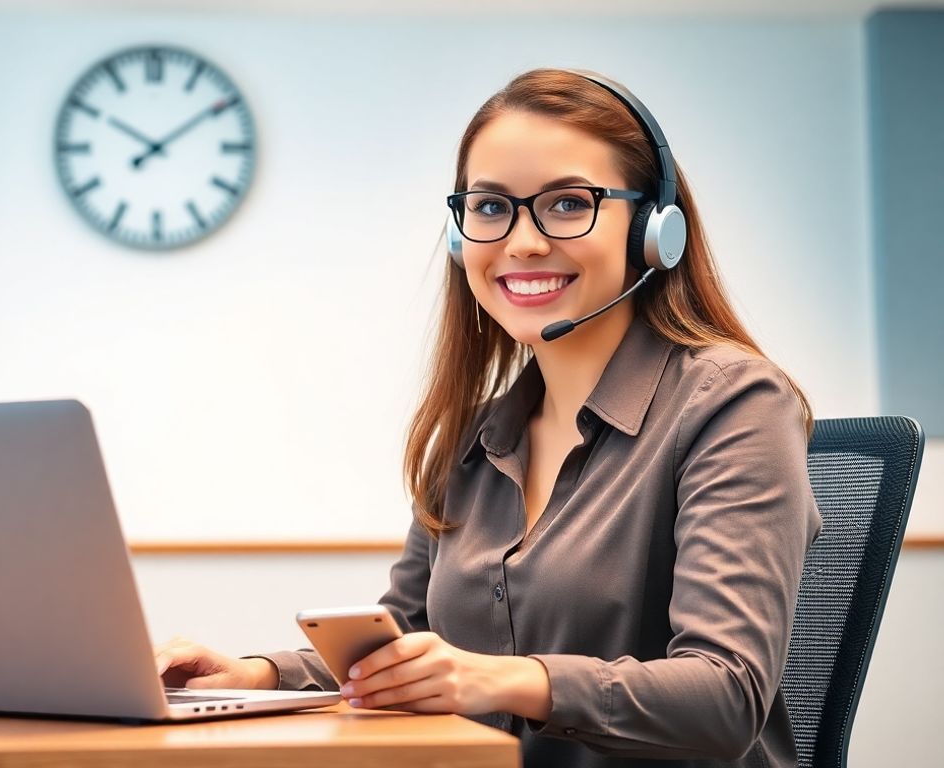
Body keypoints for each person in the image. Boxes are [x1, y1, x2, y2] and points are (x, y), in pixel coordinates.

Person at [153, 67, 820, 768]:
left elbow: (727, 696)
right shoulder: (475, 437)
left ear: (654, 232)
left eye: (567, 203)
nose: (523, 242)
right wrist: (255, 677)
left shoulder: (733, 404)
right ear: (459, 235)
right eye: (492, 207)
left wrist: (509, 679)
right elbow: (410, 639)